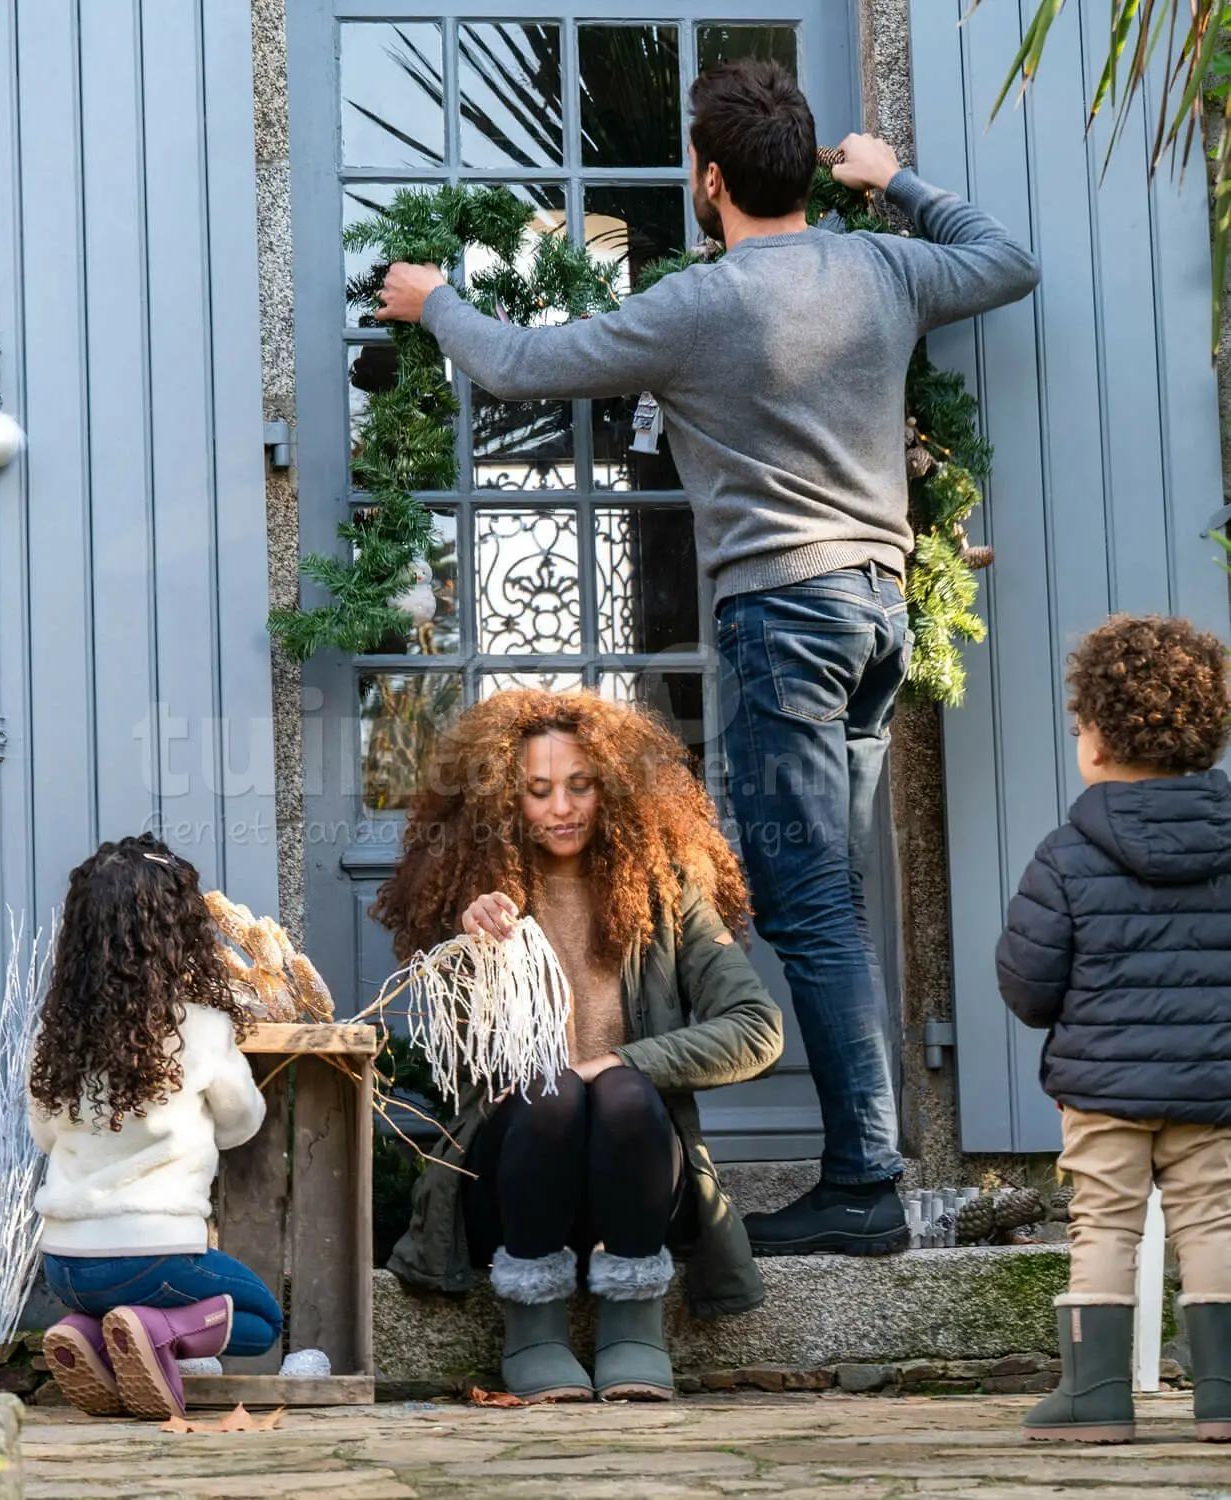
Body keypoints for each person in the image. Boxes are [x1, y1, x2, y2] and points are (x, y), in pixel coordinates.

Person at [376, 60, 1040, 1256]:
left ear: (711, 179)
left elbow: (520, 365)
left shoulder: (699, 304)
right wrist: (896, 182)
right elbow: (1006, 260)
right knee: (830, 897)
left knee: (810, 905)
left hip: (785, 622)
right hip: (877, 612)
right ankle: (867, 1171)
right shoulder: (884, 265)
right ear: (804, 171)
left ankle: (863, 1187)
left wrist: (435, 303)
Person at [373, 689, 784, 1403]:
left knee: (622, 1089)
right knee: (552, 1090)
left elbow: (757, 1026)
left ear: (615, 788)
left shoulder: (666, 894)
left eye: (581, 785)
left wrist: (619, 1060)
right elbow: (465, 1069)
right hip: (514, 1187)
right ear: (504, 799)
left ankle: (634, 1327)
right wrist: (471, 952)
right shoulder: (477, 903)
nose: (561, 807)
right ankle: (533, 1328)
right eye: (538, 791)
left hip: (638, 1181)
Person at [996, 616, 1231, 1445]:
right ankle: (1224, 1396)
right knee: (1216, 1218)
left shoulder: (1066, 856)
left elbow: (1029, 985)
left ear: (1095, 741)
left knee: (1103, 1222)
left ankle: (1094, 1396)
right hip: (1217, 1084)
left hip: (1102, 1089)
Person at [29, 834, 283, 1421]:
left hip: (65, 1265)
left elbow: (45, 1136)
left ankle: (84, 1332)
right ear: (177, 934)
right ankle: (158, 1330)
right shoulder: (201, 1028)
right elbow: (243, 1121)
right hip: (154, 1254)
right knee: (261, 1319)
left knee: (113, 1304)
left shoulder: (54, 1036)